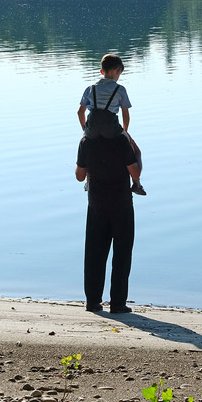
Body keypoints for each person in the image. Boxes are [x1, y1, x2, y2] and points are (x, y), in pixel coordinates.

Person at [76, 126, 137, 314]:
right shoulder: (121, 140)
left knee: (94, 253)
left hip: (97, 205)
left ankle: (93, 302)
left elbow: (79, 176)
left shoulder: (86, 141)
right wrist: (133, 145)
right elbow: (135, 172)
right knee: (122, 254)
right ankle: (118, 303)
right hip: (121, 204)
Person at [77, 53, 145, 196]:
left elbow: (80, 112)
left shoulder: (90, 88)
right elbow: (125, 114)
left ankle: (88, 181)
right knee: (131, 146)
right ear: (118, 71)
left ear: (102, 71)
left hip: (92, 127)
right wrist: (125, 132)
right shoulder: (120, 89)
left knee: (86, 146)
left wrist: (86, 130)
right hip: (110, 127)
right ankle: (137, 183)